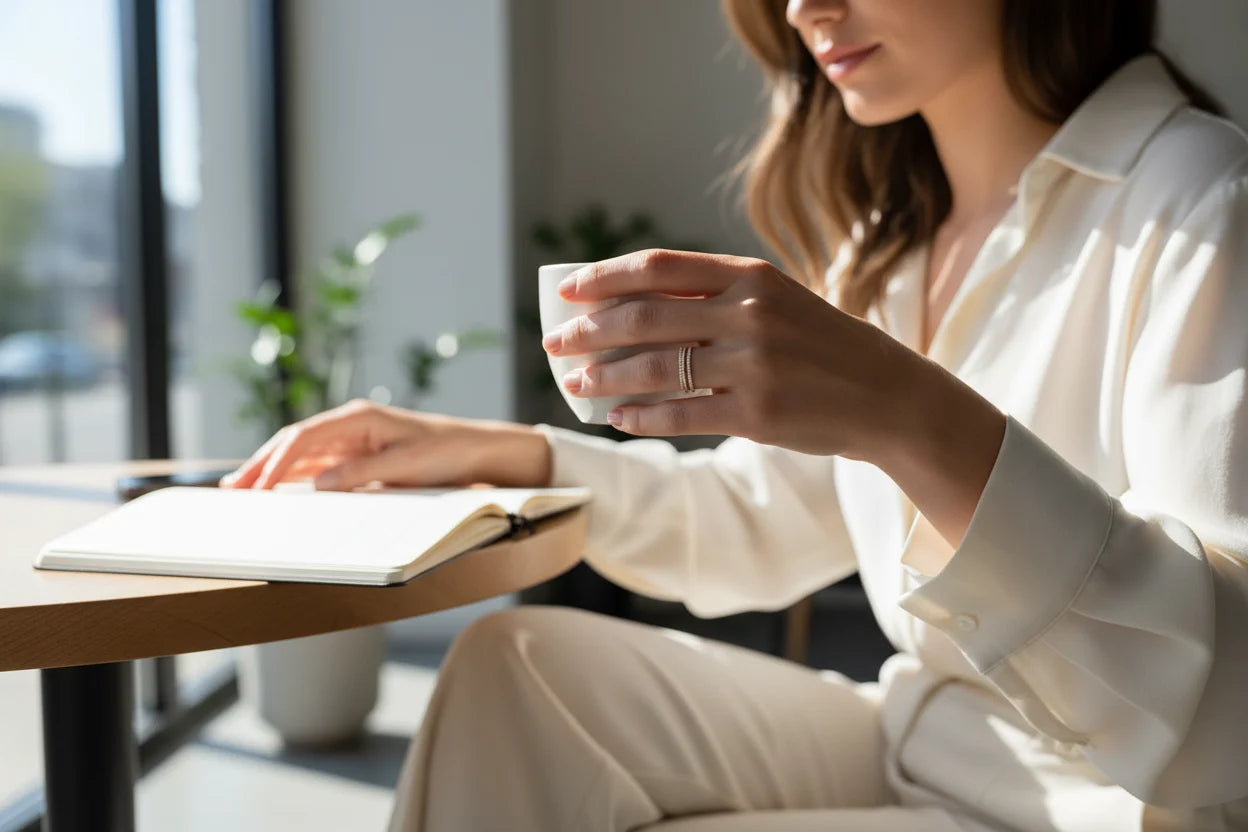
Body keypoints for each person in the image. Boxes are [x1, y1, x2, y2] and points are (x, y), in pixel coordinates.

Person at [221, 0, 1248, 829]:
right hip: (913, 737)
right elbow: (754, 519)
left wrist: (911, 413)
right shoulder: (891, 247)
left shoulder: (1200, 198)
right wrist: (512, 453)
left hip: (1106, 803)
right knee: (518, 670)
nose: (807, 9)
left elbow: (1223, 711)